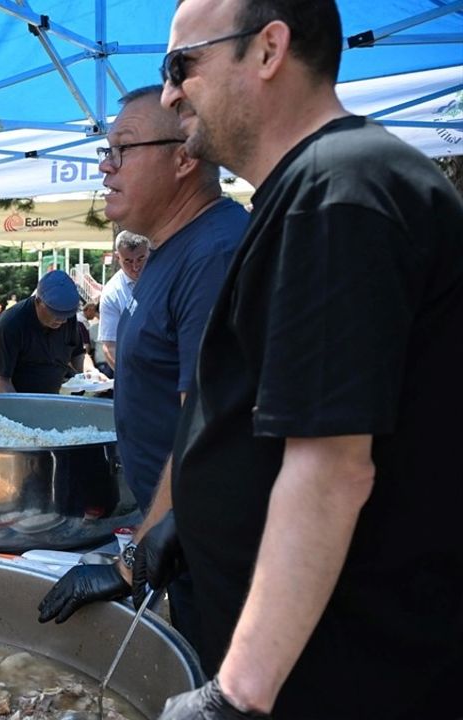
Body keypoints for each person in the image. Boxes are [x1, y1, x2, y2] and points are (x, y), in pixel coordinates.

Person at [143, 1, 463, 717]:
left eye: (180, 65)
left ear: (268, 50)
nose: (168, 95)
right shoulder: (316, 188)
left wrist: (236, 693)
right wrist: (185, 527)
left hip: (347, 678)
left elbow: (333, 466)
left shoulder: (341, 191)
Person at [38, 86, 249, 648]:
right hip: (187, 547)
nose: (105, 166)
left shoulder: (215, 254)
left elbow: (206, 432)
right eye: (105, 150)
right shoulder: (171, 250)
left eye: (122, 149)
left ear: (185, 156)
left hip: (223, 555)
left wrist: (130, 561)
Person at [0, 270, 96, 394]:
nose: (62, 320)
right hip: (14, 397)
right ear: (38, 302)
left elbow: (78, 354)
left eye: (67, 314)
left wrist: (91, 372)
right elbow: (0, 379)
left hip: (50, 396)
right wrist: (19, 409)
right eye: (55, 313)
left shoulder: (68, 317)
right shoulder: (11, 323)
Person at [98, 230, 149, 369]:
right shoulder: (112, 293)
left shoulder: (166, 276)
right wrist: (128, 376)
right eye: (128, 261)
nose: (135, 267)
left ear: (150, 251)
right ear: (117, 257)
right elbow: (110, 347)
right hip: (135, 368)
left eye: (141, 258)